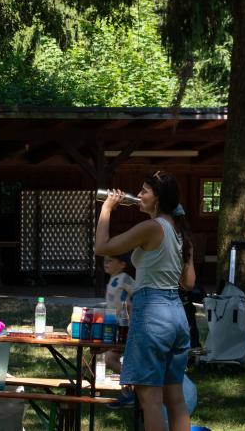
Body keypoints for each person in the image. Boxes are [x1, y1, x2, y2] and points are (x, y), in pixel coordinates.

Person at [94, 171, 195, 431]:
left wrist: (107, 208)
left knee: (150, 401)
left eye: (144, 191)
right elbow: (189, 283)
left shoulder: (152, 227)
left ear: (158, 198)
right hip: (177, 314)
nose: (138, 196)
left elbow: (102, 247)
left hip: (153, 313)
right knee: (176, 399)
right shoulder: (177, 229)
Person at [103, 252, 135, 407]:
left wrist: (132, 309)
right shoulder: (112, 280)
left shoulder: (124, 278)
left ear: (122, 264)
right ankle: (130, 393)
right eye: (105, 260)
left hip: (125, 327)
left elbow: (139, 293)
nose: (106, 263)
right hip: (114, 327)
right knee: (112, 359)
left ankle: (131, 392)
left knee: (111, 358)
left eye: (110, 260)